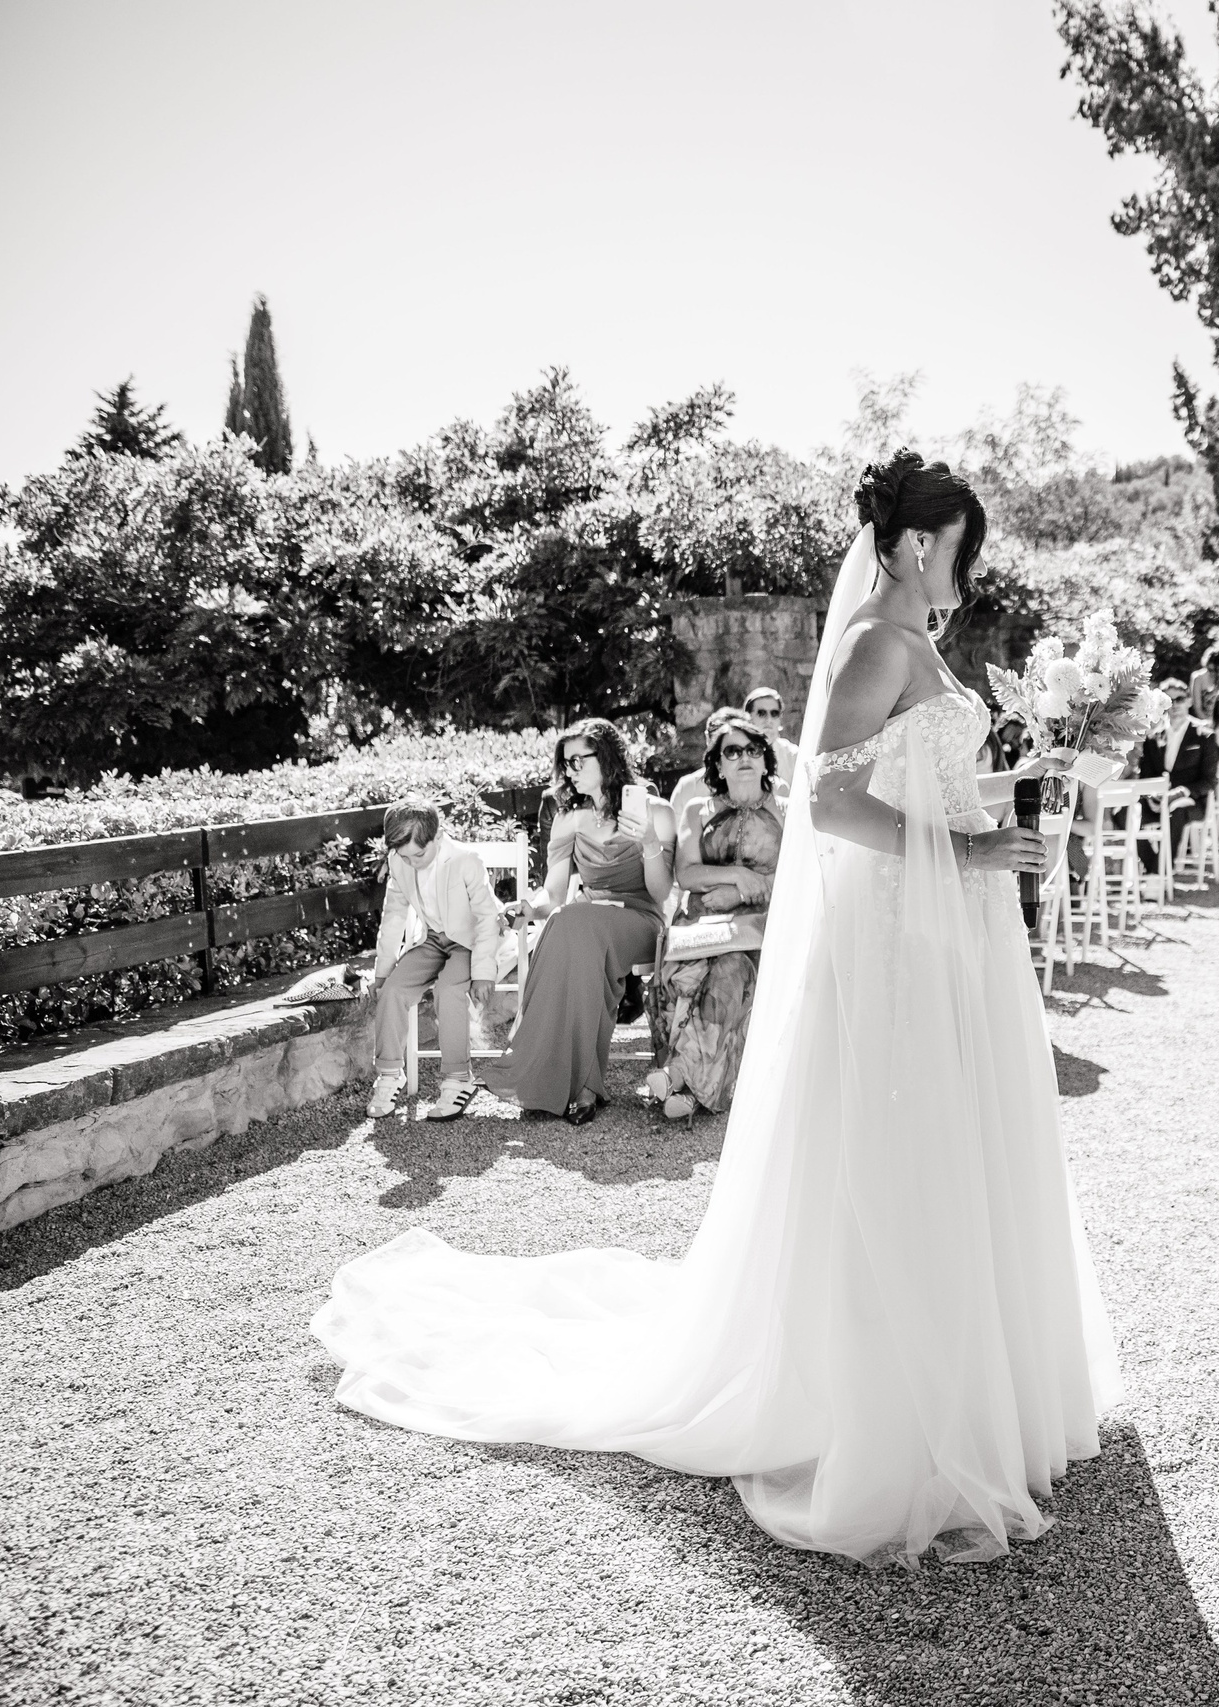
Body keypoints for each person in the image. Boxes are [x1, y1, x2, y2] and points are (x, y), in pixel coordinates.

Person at [316, 449, 1118, 1565]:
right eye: (965, 553)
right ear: (923, 544)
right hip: (898, 928)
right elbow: (832, 805)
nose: (968, 577)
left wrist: (1016, 813)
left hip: (951, 922)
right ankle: (892, 1401)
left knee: (956, 1134)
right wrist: (977, 844)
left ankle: (984, 1382)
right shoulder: (872, 643)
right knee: (900, 1141)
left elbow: (914, 789)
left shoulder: (919, 646)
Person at [478, 719, 673, 1125]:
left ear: (607, 758)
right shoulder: (568, 820)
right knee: (572, 925)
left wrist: (650, 842)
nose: (570, 770)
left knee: (575, 922)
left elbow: (660, 894)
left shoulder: (656, 812)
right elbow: (552, 893)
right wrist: (529, 908)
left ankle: (566, 1079)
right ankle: (583, 1087)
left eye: (578, 760)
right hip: (586, 926)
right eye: (565, 763)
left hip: (639, 923)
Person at [642, 712, 783, 1121]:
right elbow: (686, 872)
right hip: (704, 928)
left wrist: (737, 892)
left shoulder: (786, 809)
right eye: (732, 751)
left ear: (764, 759)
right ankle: (691, 1095)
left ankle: (679, 1073)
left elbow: (795, 873)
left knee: (732, 971)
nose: (743, 758)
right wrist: (739, 874)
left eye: (752, 749)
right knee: (698, 976)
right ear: (718, 764)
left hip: (759, 929)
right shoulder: (696, 811)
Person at [364, 799, 505, 1123]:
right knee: (393, 991)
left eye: (419, 855)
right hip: (431, 940)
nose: (412, 863)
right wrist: (383, 972)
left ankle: (458, 1079)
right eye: (404, 856)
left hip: (469, 942)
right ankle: (389, 1075)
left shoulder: (465, 861)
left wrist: (483, 972)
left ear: (437, 838)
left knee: (448, 990)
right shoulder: (400, 862)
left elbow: (486, 918)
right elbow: (393, 916)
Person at [1135, 679, 1219, 872]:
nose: (1175, 705)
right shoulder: (1153, 737)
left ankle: (1159, 873)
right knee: (1124, 812)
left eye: (1179, 699)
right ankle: (1155, 867)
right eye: (1169, 701)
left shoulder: (1204, 735)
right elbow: (1146, 777)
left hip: (1192, 803)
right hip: (1156, 800)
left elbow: (1210, 781)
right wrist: (1151, 796)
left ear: (1189, 701)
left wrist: (1182, 792)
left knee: (1177, 810)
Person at [1186, 646, 1219, 720]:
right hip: (1203, 720)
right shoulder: (1198, 678)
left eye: (1217, 670)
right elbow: (1197, 707)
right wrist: (1208, 723)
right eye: (1210, 670)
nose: (1213, 673)